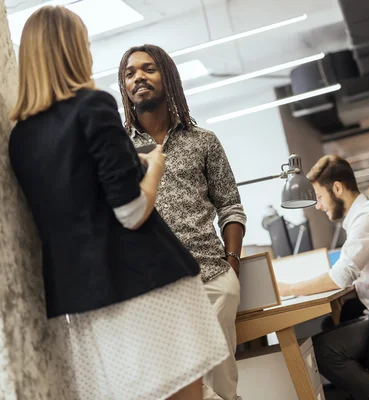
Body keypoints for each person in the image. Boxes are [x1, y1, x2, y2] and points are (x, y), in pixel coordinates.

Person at [8, 7, 229, 400]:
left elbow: (75, 199)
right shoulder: (93, 105)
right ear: (72, 50)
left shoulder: (20, 137)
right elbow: (130, 212)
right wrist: (155, 165)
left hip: (85, 301)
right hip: (145, 283)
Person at [118, 44, 247, 400]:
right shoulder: (118, 150)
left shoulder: (203, 141)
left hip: (211, 276)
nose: (139, 77)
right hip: (155, 286)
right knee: (184, 389)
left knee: (222, 384)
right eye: (130, 73)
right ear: (124, 87)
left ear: (168, 78)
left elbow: (231, 206)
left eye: (148, 69)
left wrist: (232, 265)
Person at [278, 155, 369, 400]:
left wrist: (288, 289)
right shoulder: (361, 218)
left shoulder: (368, 218)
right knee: (330, 328)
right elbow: (345, 274)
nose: (318, 205)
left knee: (325, 350)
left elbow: (340, 277)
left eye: (319, 197)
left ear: (337, 188)